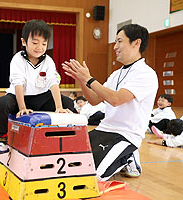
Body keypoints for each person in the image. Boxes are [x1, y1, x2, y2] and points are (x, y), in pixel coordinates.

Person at [62, 24, 158, 181]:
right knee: (70, 162)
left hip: (126, 135)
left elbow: (115, 99)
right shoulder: (116, 74)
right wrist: (81, 80)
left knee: (94, 176)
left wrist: (88, 78)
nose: (115, 47)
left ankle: (130, 155)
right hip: (104, 129)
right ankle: (125, 156)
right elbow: (94, 100)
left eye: (119, 41)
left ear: (136, 43)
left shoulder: (146, 74)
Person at [0, 19, 75, 156]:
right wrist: (22, 107)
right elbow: (18, 84)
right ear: (24, 42)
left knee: (68, 103)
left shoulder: (48, 61)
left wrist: (59, 107)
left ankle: (65, 138)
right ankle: (2, 141)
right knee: (1, 103)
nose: (39, 47)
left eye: (44, 44)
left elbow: (53, 82)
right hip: (19, 97)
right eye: (35, 43)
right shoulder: (18, 58)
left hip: (41, 97)